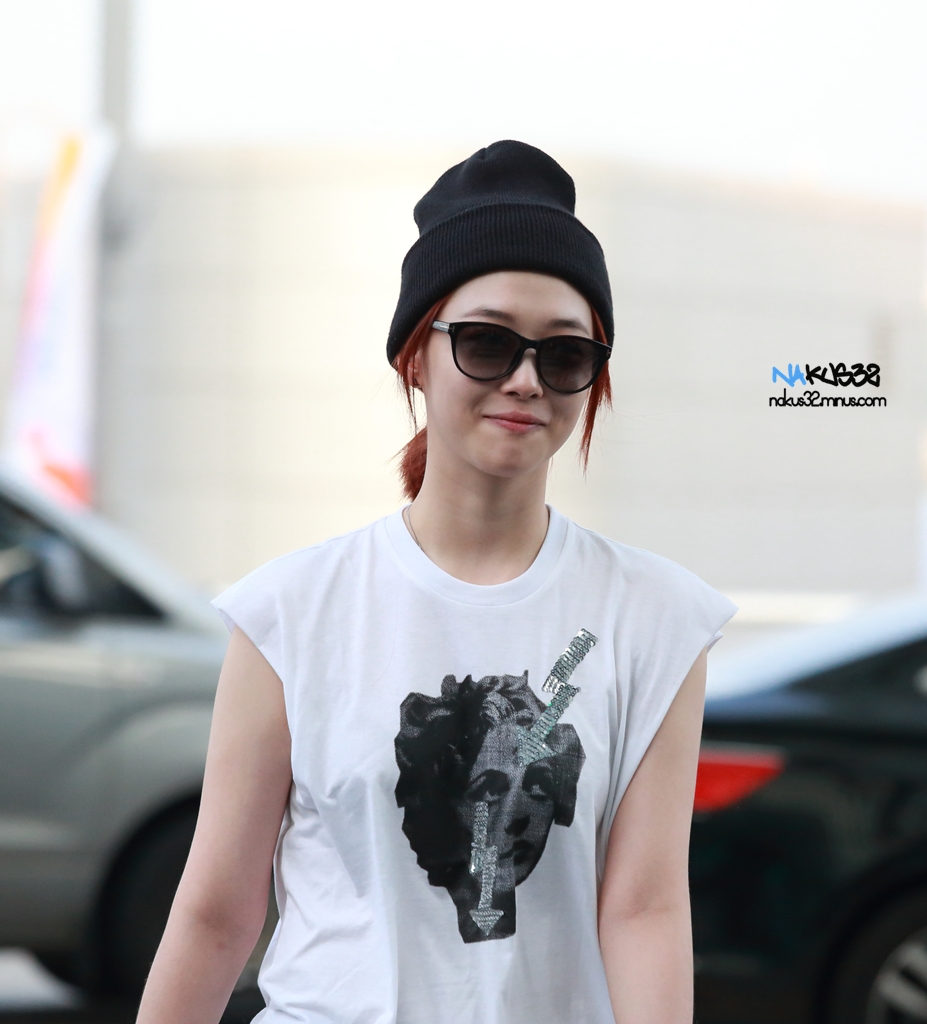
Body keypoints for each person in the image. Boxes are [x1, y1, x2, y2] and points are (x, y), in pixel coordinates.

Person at [135, 140, 737, 1024]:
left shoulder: (655, 616)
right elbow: (217, 913)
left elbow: (643, 909)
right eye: (487, 343)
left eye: (565, 354)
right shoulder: (291, 610)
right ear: (416, 356)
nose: (526, 380)